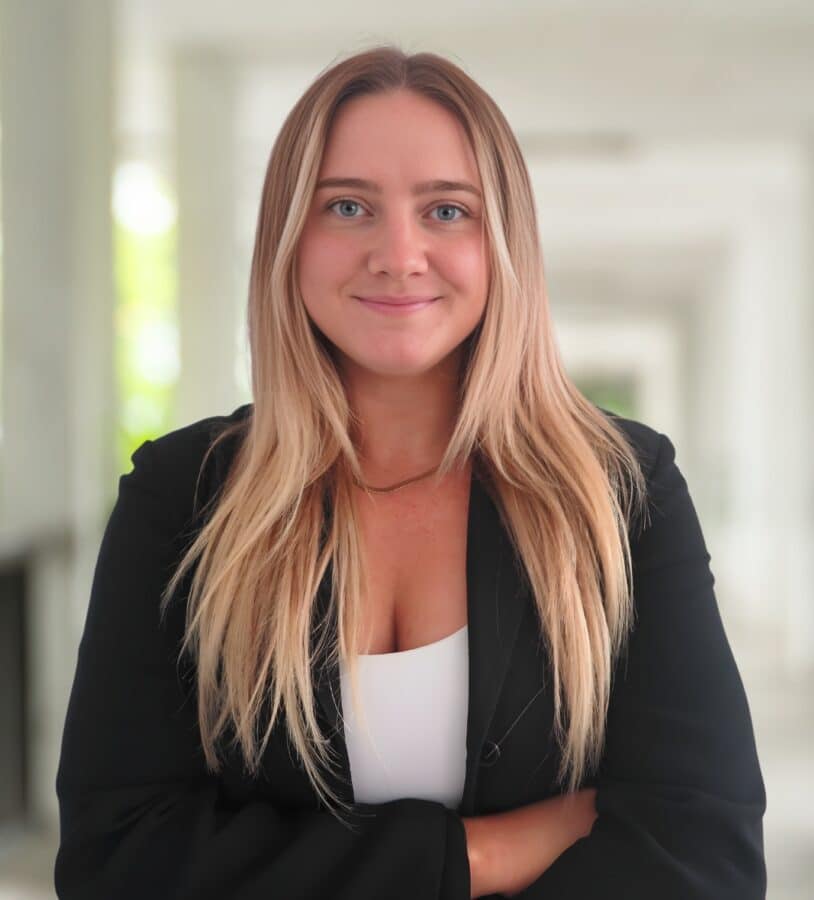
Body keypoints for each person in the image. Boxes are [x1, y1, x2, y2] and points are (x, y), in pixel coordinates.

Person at [54, 45, 767, 899]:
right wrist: (477, 857)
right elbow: (116, 860)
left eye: (446, 211)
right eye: (348, 206)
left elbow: (703, 861)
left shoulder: (621, 490)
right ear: (290, 234)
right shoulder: (184, 498)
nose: (398, 254)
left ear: (503, 240)